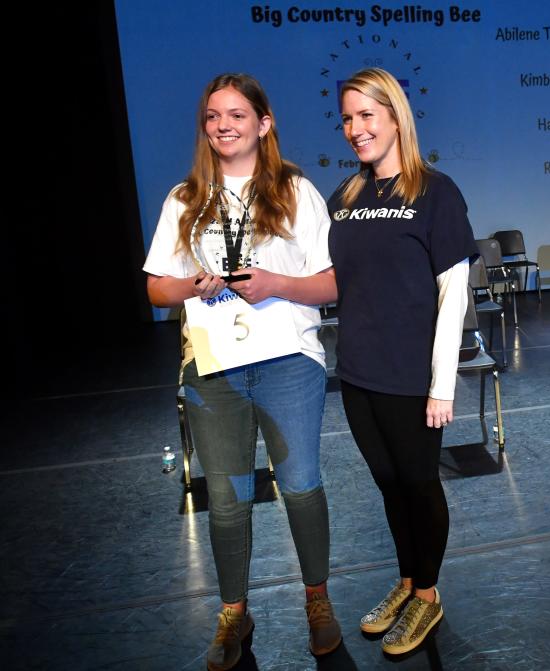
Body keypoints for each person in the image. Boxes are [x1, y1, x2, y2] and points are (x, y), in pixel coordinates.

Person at [143, 73, 341, 669]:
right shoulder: (184, 199)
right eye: (212, 116)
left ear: (264, 122)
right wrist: (193, 284)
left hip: (288, 362)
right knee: (226, 502)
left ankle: (317, 600)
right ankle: (234, 612)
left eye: (235, 114)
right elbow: (157, 289)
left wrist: (276, 284)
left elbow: (332, 282)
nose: (223, 125)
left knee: (301, 486)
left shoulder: (296, 192)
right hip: (214, 369)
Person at [326, 67, 476, 655]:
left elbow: (453, 294)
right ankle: (409, 581)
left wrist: (443, 387)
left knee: (418, 484)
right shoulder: (347, 196)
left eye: (367, 115)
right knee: (389, 485)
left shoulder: (437, 192)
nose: (356, 129)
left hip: (413, 377)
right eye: (347, 118)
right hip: (359, 373)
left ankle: (429, 598)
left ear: (395, 116)